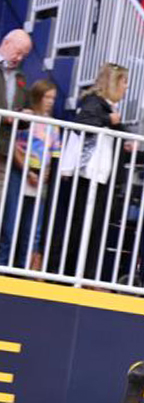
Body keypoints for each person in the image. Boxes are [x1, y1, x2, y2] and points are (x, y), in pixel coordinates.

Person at [50, 63, 128, 282]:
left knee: (93, 228)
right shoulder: (94, 103)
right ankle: (62, 273)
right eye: (124, 82)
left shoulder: (109, 108)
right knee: (78, 226)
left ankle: (83, 275)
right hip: (86, 177)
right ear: (113, 82)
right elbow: (81, 124)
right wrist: (108, 121)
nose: (126, 87)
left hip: (100, 178)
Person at [0, 80, 60, 270]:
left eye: (53, 98)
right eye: (47, 97)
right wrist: (27, 171)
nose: (50, 101)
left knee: (33, 229)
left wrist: (47, 173)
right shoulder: (26, 118)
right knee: (9, 225)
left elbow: (54, 153)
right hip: (19, 174)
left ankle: (24, 269)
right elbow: (13, 146)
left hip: (41, 178)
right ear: (37, 96)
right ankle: (2, 264)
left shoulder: (54, 125)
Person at [0, 29, 32, 210]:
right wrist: (5, 117)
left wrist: (26, 115)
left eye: (24, 56)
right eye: (18, 52)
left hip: (4, 149)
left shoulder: (21, 77)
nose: (19, 58)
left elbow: (23, 108)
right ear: (6, 43)